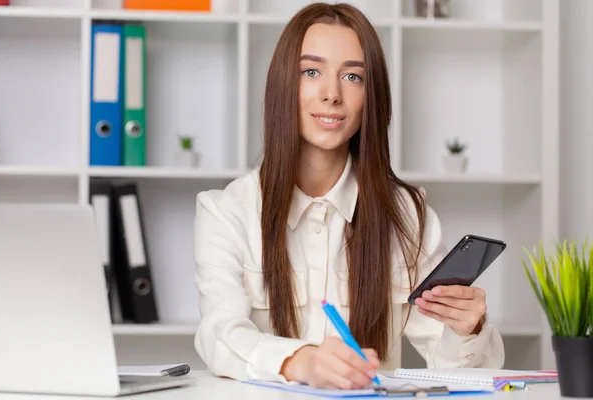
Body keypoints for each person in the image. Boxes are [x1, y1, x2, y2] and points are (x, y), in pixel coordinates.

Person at [192, 2, 505, 390]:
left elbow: (460, 376)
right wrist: (300, 362)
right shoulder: (226, 212)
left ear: (371, 96)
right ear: (282, 87)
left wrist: (467, 329)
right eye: (311, 72)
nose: (331, 94)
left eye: (353, 77)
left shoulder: (407, 214)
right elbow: (219, 334)